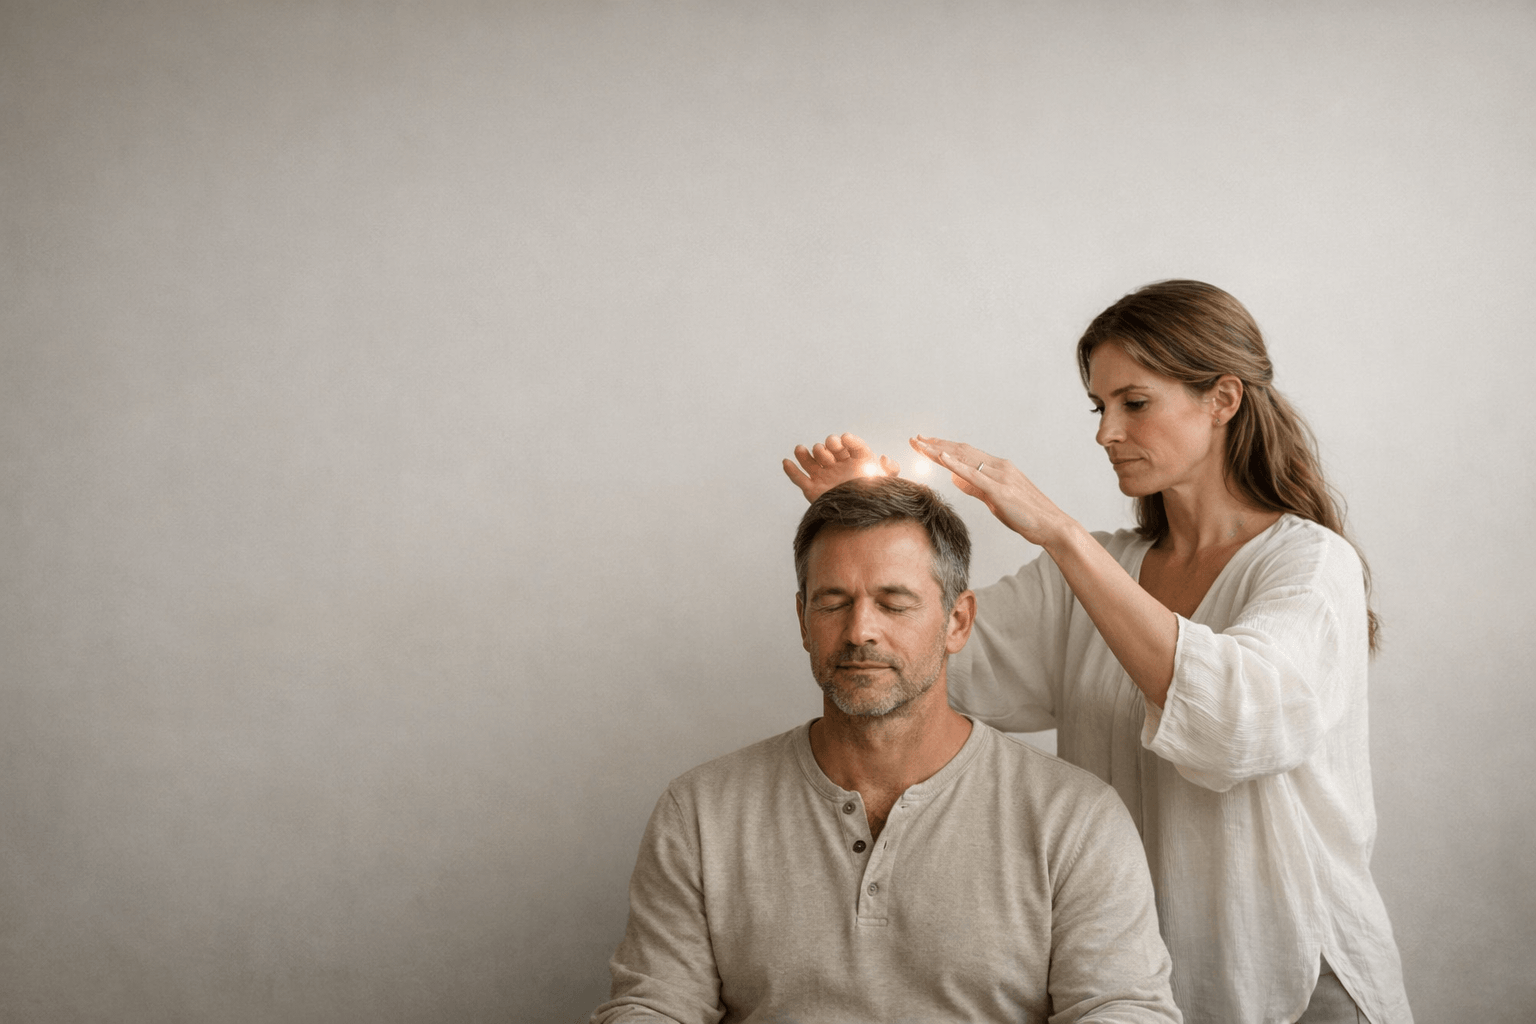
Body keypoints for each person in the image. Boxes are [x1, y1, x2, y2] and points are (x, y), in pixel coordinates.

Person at [783, 281, 1413, 1024]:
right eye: (1099, 407)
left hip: (1298, 981)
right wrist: (869, 537)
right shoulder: (1076, 580)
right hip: (1123, 984)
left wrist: (1060, 531)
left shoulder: (1309, 566)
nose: (1106, 431)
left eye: (1133, 403)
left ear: (1224, 399)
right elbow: (925, 666)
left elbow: (1234, 726)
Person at [592, 477, 1182, 1024]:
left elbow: (1123, 1009)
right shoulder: (700, 812)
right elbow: (653, 1005)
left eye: (894, 603)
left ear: (958, 621)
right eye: (831, 602)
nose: (859, 631)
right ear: (802, 620)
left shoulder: (1075, 819)